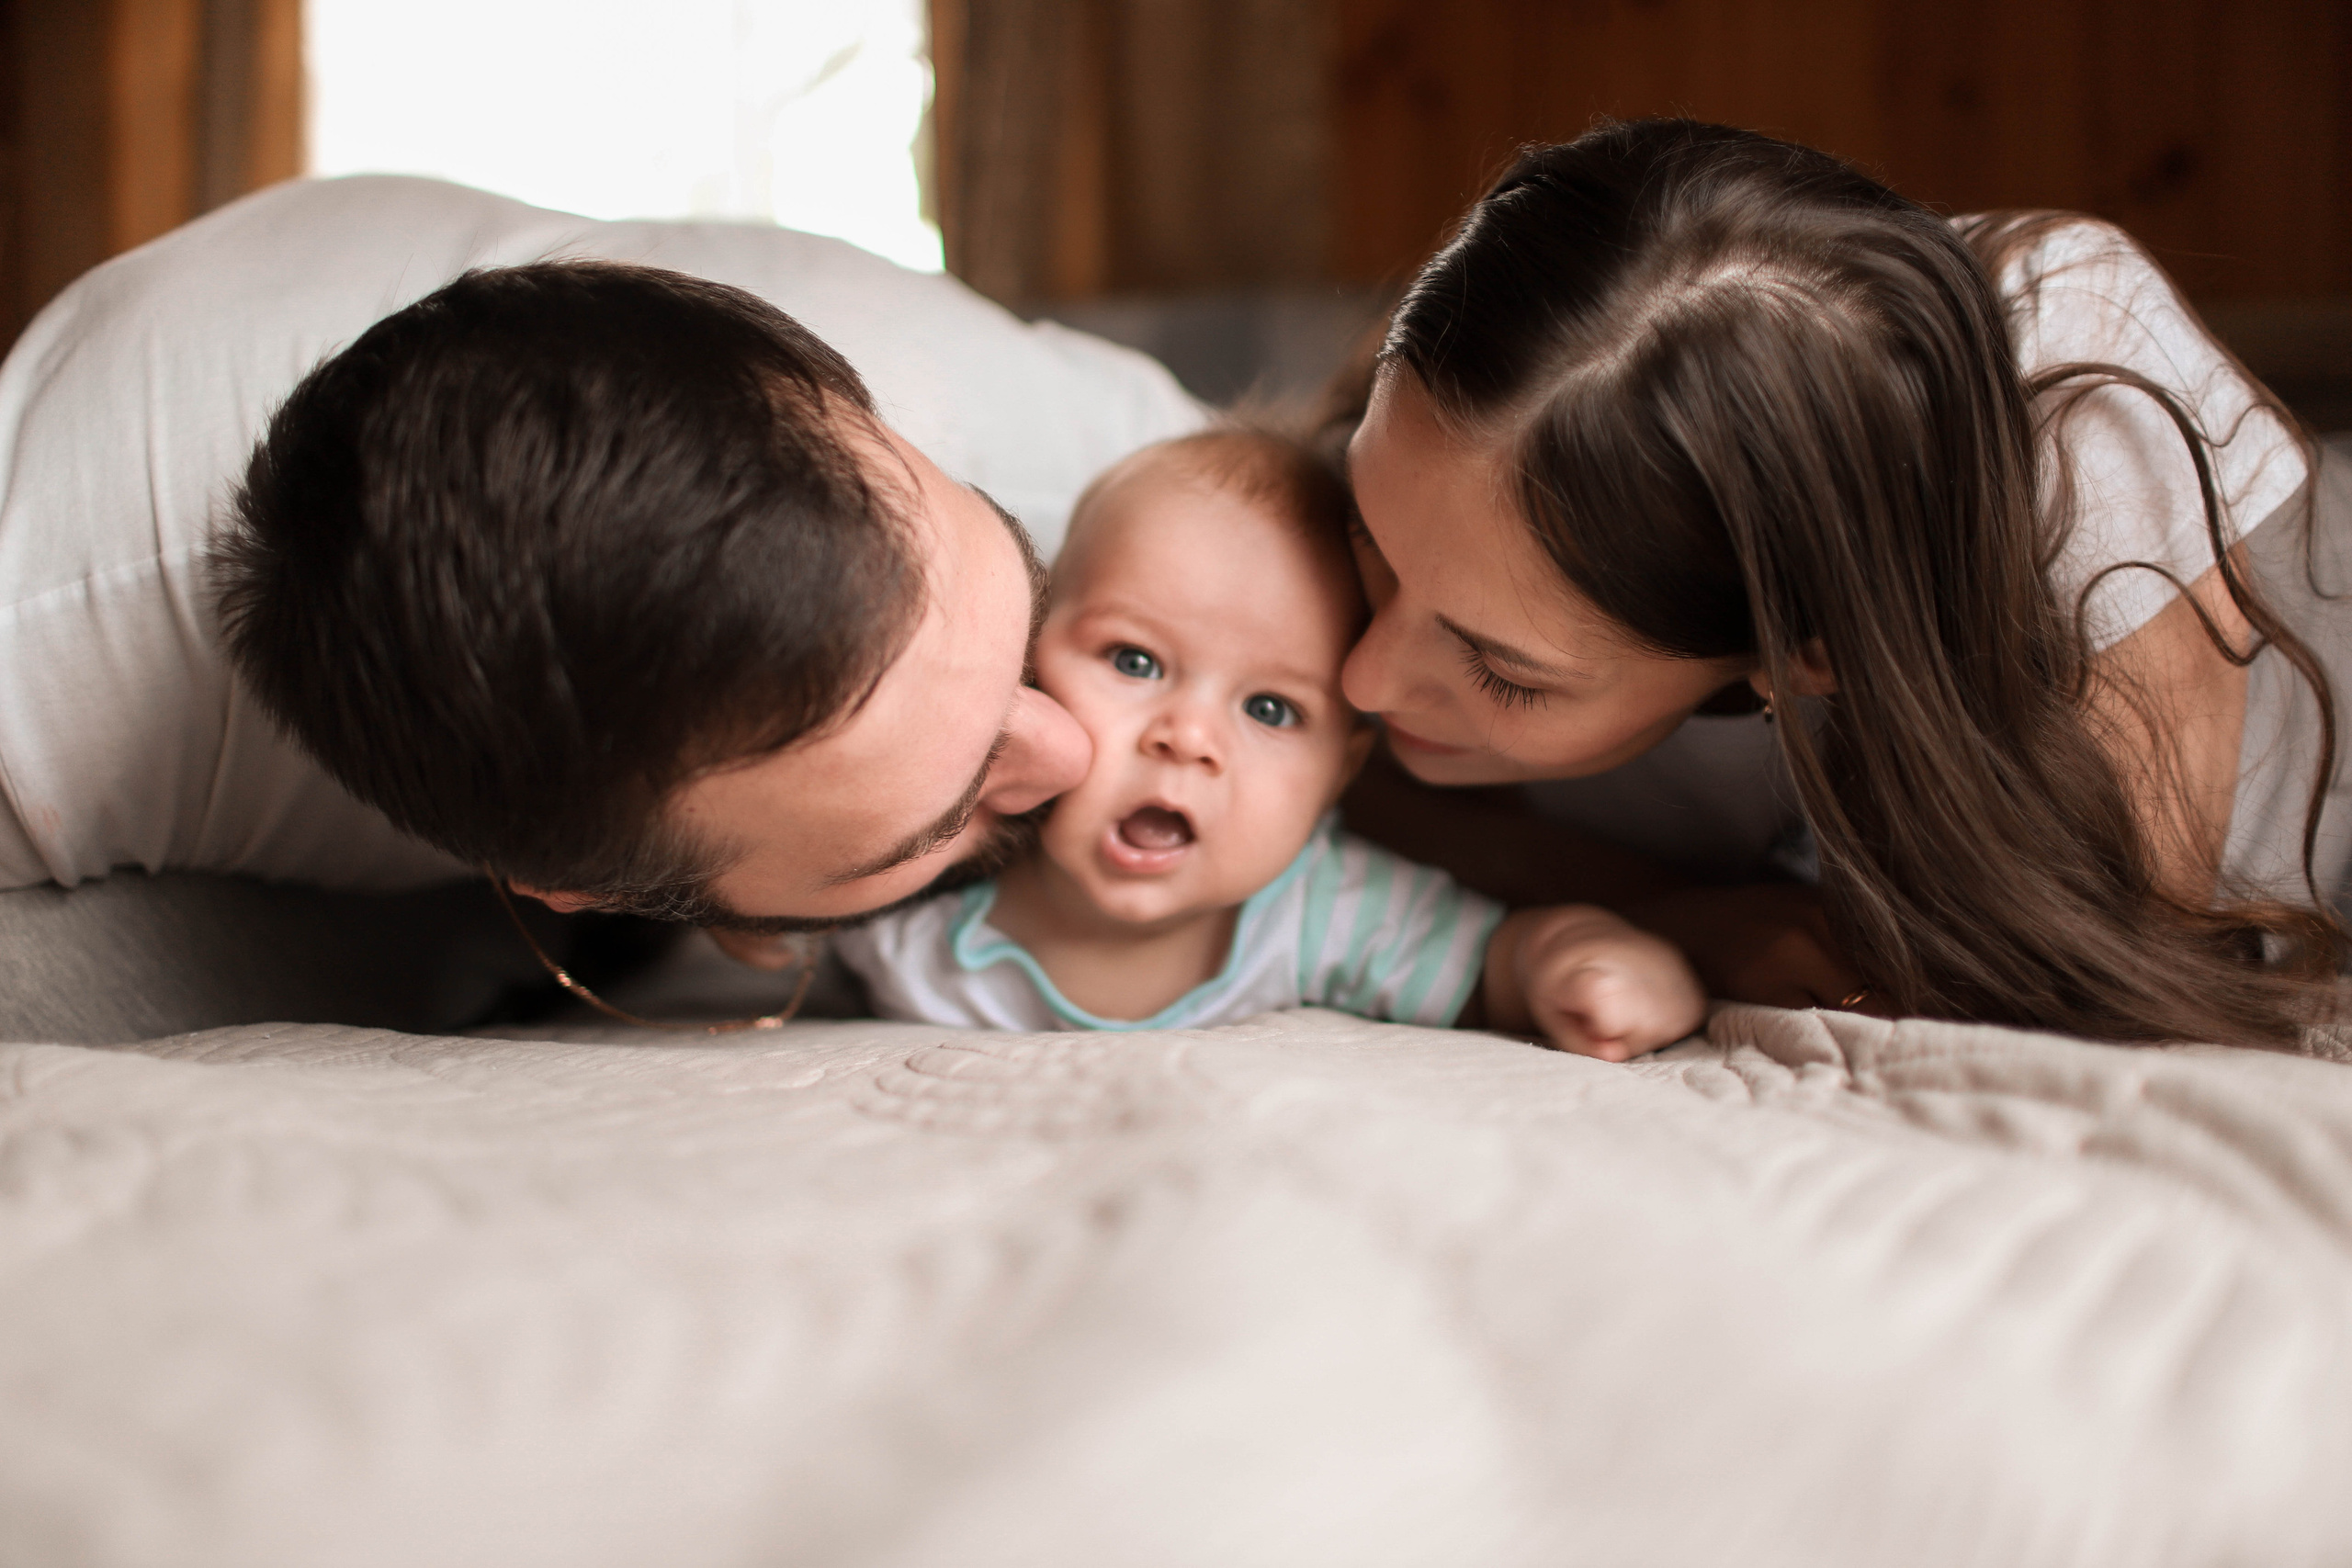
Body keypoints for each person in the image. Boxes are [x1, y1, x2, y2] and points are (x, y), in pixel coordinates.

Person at [0, 175, 1205, 1035]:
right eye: (931, 815)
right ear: (582, 884)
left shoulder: (1075, 452)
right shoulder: (39, 673)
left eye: (1015, 597)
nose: (1074, 746)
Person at [1335, 118, 2352, 1049]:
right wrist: (1690, 921)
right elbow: (1332, 795)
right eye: (1362, 540)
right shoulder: (1493, 405)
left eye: (1501, 670)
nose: (1361, 682)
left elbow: (2082, 995)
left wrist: (1696, 926)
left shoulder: (2078, 415)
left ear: (1810, 648)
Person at [836, 431, 1708, 1059]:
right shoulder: (935, 853)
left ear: (1339, 775)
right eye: (1135, 661)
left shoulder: (1321, 909)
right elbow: (792, 867)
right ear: (1028, 657)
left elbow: (1493, 962)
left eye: (1271, 709)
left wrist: (1580, 956)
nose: (1188, 737)